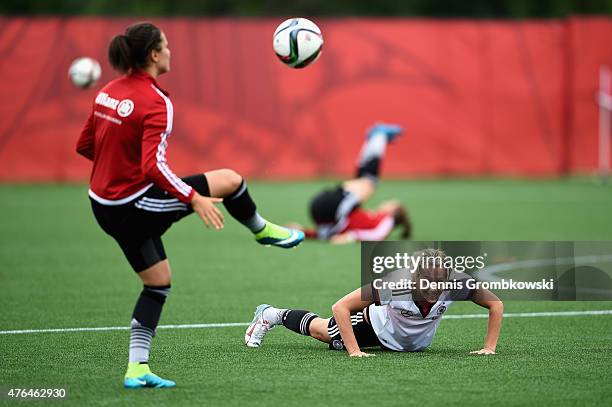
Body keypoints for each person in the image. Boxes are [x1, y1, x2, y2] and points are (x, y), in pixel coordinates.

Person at [76, 22, 304, 389]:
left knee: (158, 284)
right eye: (165, 46)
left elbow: (85, 146)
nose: (170, 51)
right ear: (153, 55)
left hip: (102, 203)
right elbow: (153, 166)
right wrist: (192, 197)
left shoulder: (107, 92)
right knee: (230, 181)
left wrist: (118, 173)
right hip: (132, 204)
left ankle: (136, 369)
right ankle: (261, 230)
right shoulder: (156, 101)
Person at [244, 248, 503, 356]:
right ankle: (271, 314)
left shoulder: (457, 285)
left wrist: (489, 348)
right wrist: (354, 352)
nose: (435, 288)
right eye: (428, 281)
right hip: (374, 326)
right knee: (324, 332)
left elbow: (496, 305)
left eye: (440, 281)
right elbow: (341, 306)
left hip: (409, 344)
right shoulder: (395, 286)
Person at [288, 123, 412, 244]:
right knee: (364, 181)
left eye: (390, 203)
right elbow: (330, 233)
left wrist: (350, 237)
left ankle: (378, 136)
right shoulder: (368, 217)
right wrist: (303, 233)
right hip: (323, 213)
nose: (385, 203)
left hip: (332, 208)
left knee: (369, 182)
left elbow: (376, 235)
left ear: (394, 210)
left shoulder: (387, 220)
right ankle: (376, 139)